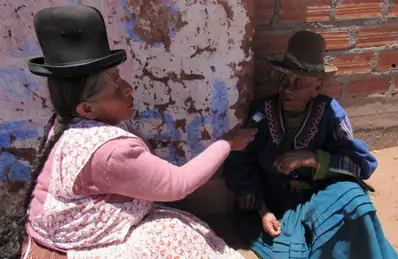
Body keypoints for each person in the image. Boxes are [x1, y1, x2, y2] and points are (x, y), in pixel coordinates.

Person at [0, 5, 257, 259]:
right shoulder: (108, 151)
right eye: (115, 87)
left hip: (50, 229)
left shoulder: (67, 122)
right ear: (87, 108)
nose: (128, 89)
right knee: (174, 238)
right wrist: (227, 142)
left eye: (119, 77)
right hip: (68, 244)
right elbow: (178, 184)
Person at [223, 30, 398, 258]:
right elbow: (239, 165)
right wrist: (263, 211)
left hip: (318, 198)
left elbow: (361, 165)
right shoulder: (261, 114)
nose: (288, 88)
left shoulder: (329, 112)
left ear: (317, 87)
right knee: (291, 250)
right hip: (274, 207)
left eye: (299, 82)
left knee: (355, 200)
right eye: (284, 78)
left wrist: (313, 158)